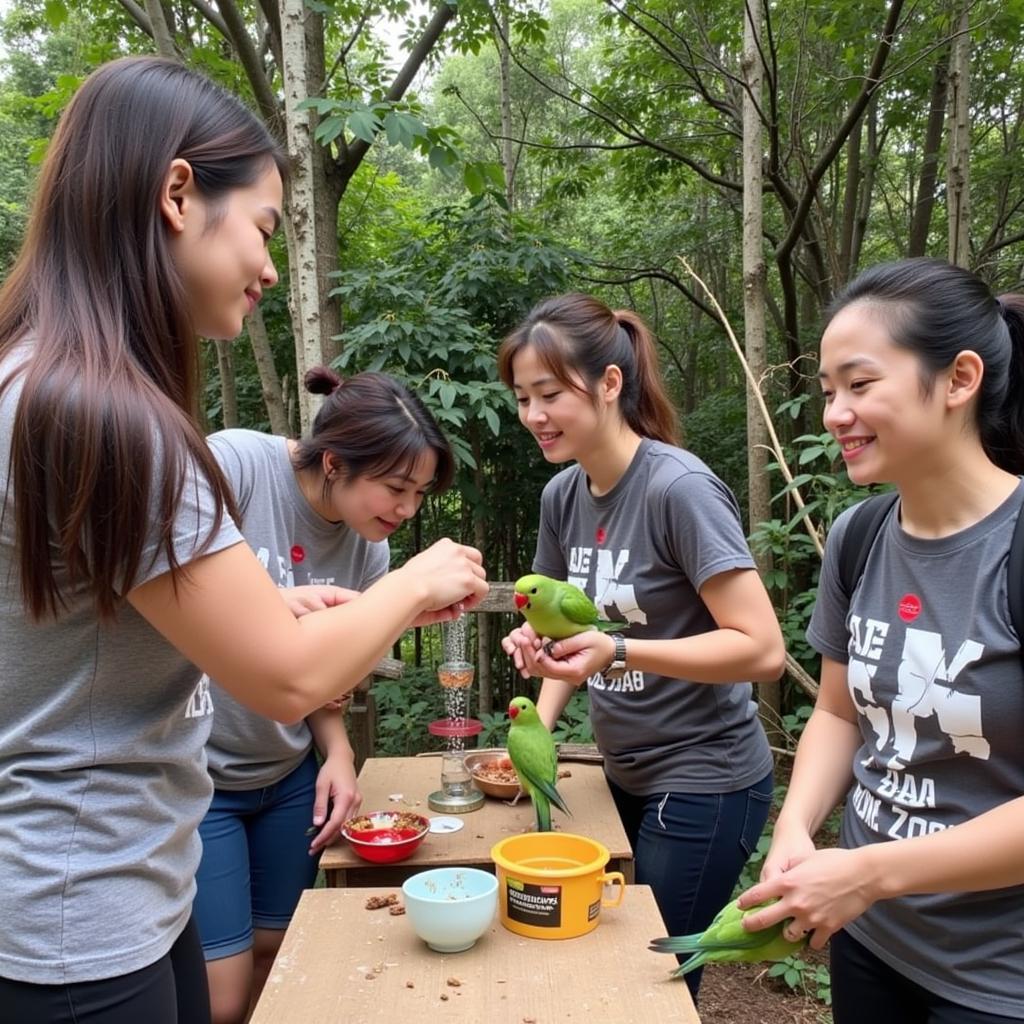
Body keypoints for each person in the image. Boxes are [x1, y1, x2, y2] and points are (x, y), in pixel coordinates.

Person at [0, 56, 486, 1024]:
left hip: (111, 881)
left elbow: (99, 624)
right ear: (179, 193)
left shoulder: (39, 378)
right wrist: (421, 581)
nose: (270, 267)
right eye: (263, 228)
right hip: (75, 902)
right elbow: (285, 680)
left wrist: (274, 610)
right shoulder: (109, 415)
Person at [737, 258, 1024, 1023]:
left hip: (998, 977)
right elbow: (837, 714)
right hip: (872, 940)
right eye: (829, 391)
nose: (834, 413)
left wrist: (871, 872)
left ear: (959, 379)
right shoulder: (860, 536)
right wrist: (796, 828)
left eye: (860, 386)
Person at [497, 292, 785, 1000]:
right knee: (604, 956)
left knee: (650, 980)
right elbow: (568, 638)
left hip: (706, 777)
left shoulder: (677, 489)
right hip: (619, 773)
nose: (534, 415)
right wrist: (542, 681)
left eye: (548, 394)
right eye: (522, 397)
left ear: (609, 383)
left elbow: (761, 648)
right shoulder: (562, 497)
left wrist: (620, 652)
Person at [197, 366, 456, 1024]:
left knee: (277, 953)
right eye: (397, 487)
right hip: (202, 775)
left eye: (420, 493)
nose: (406, 510)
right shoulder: (234, 466)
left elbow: (324, 681)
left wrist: (336, 755)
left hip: (287, 773)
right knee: (220, 992)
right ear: (335, 462)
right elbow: (159, 589)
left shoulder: (370, 552)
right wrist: (274, 604)